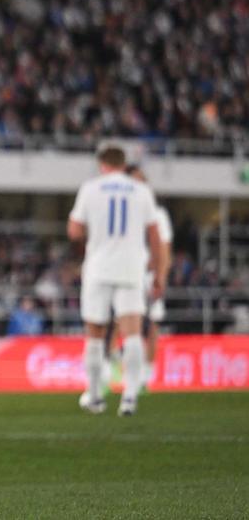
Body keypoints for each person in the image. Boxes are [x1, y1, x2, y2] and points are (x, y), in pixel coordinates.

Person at [67, 145, 165, 417]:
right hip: (131, 268)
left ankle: (96, 396)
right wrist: (157, 273)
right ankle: (130, 397)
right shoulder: (141, 191)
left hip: (99, 267)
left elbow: (74, 231)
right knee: (132, 333)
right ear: (124, 164)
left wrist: (93, 233)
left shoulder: (91, 188)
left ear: (102, 164)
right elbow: (155, 236)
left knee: (95, 334)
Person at [126, 164, 172, 392]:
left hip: (149, 275)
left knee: (153, 324)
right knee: (123, 322)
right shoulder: (123, 210)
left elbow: (165, 248)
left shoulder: (158, 214)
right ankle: (117, 365)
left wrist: (161, 276)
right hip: (126, 273)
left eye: (142, 180)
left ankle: (147, 374)